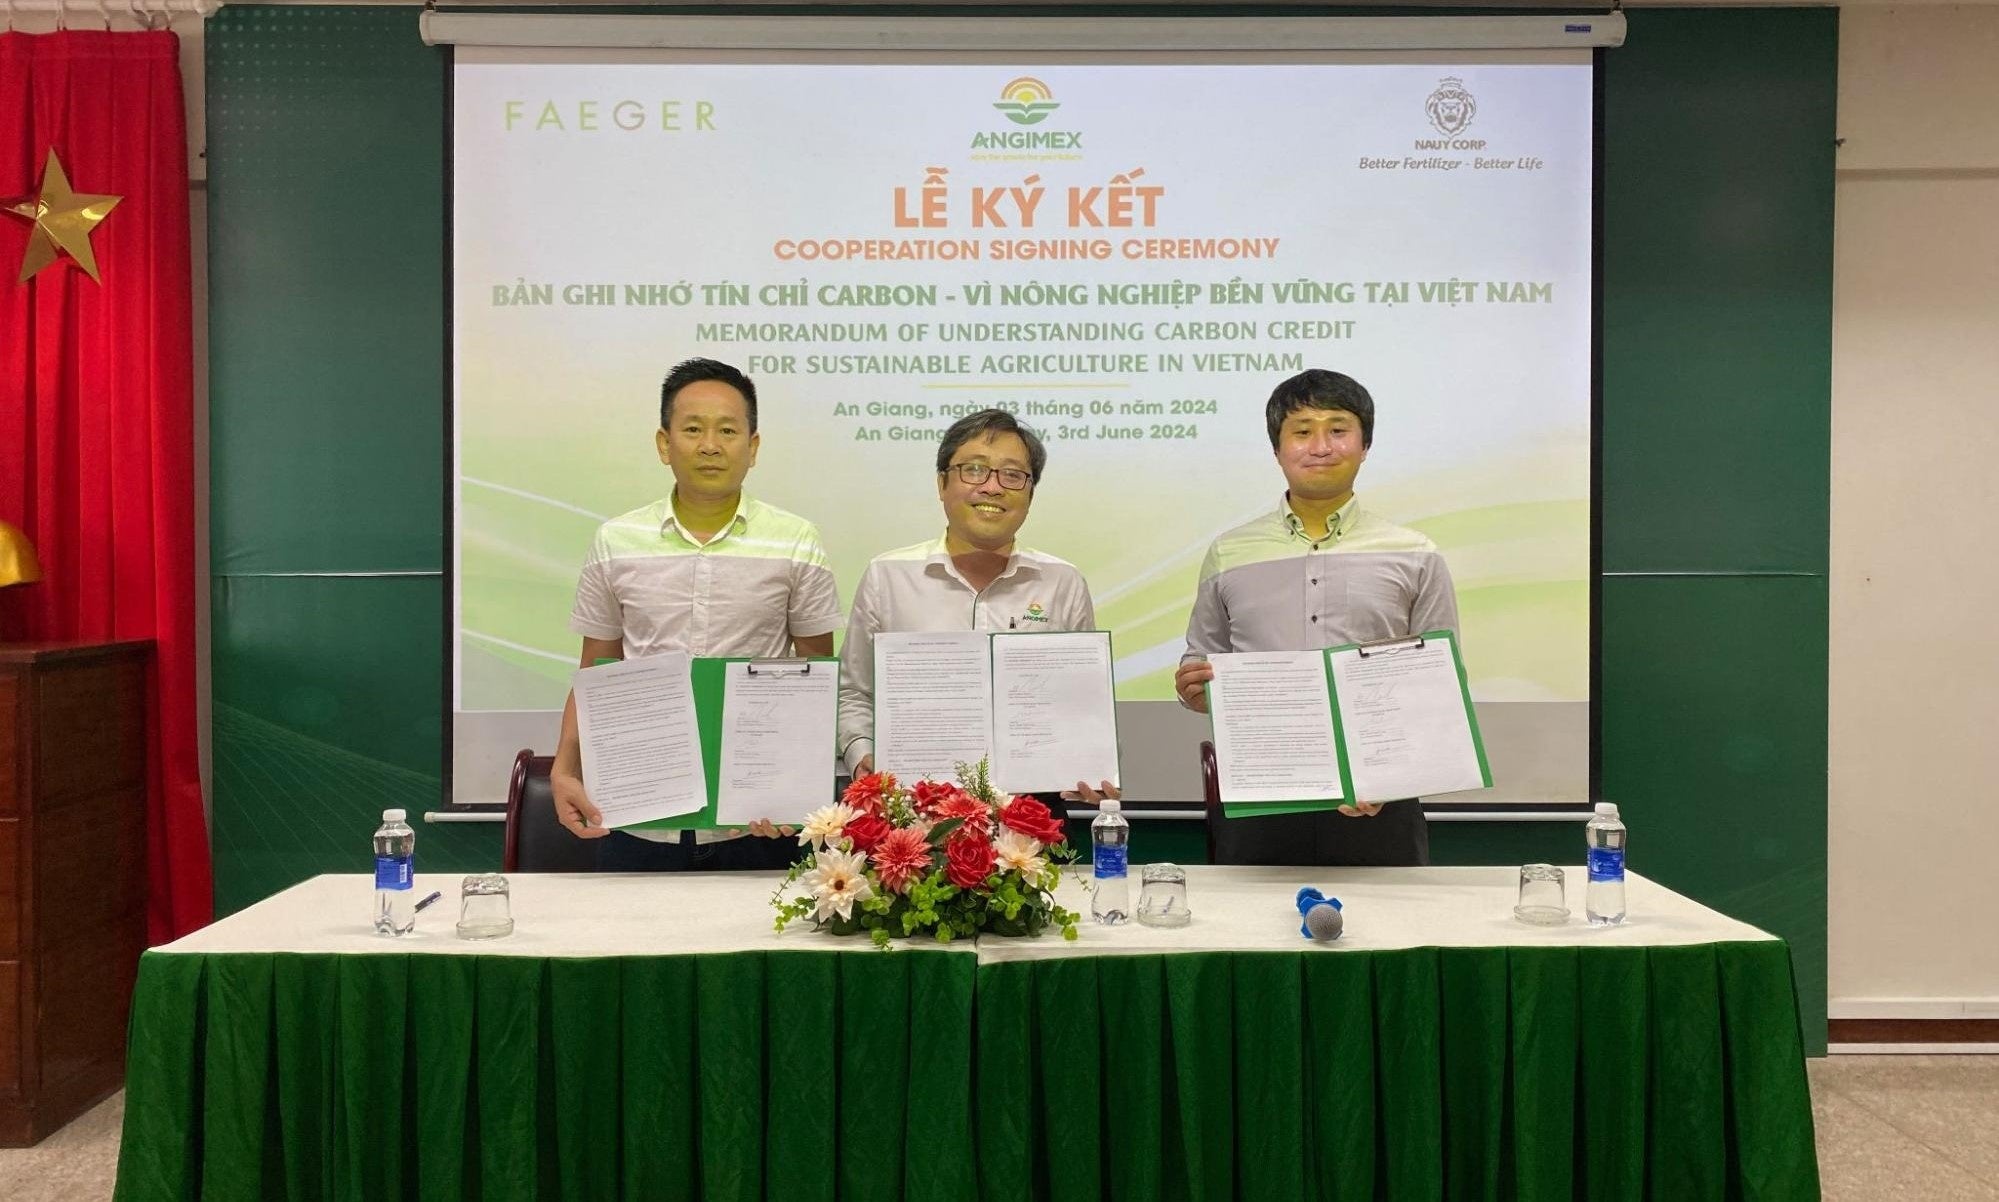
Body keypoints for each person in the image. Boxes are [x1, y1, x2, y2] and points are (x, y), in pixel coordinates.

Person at [551, 358, 841, 869]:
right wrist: (565, 767)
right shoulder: (616, 541)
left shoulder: (797, 540)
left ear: (753, 447)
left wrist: (798, 790)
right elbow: (596, 667)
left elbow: (813, 673)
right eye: (692, 429)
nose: (710, 445)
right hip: (639, 814)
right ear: (665, 444)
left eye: (727, 430)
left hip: (757, 822)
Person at [1173, 368, 1460, 865]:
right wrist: (1195, 688)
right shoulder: (1229, 552)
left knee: (1387, 917)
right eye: (1302, 431)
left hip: (1380, 800)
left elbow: (1438, 684)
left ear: (1365, 445)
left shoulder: (1415, 554)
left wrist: (1391, 777)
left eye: (1338, 430)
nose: (1321, 447)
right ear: (1277, 448)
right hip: (1261, 794)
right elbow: (1202, 661)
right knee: (1247, 916)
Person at [838, 408, 1114, 802]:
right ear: (942, 483)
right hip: (913, 807)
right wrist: (862, 754)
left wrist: (1093, 762)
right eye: (974, 470)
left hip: (1032, 811)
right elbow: (854, 693)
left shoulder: (1062, 581)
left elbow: (1083, 705)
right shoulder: (888, 575)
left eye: (1012, 475)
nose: (992, 488)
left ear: (1030, 494)